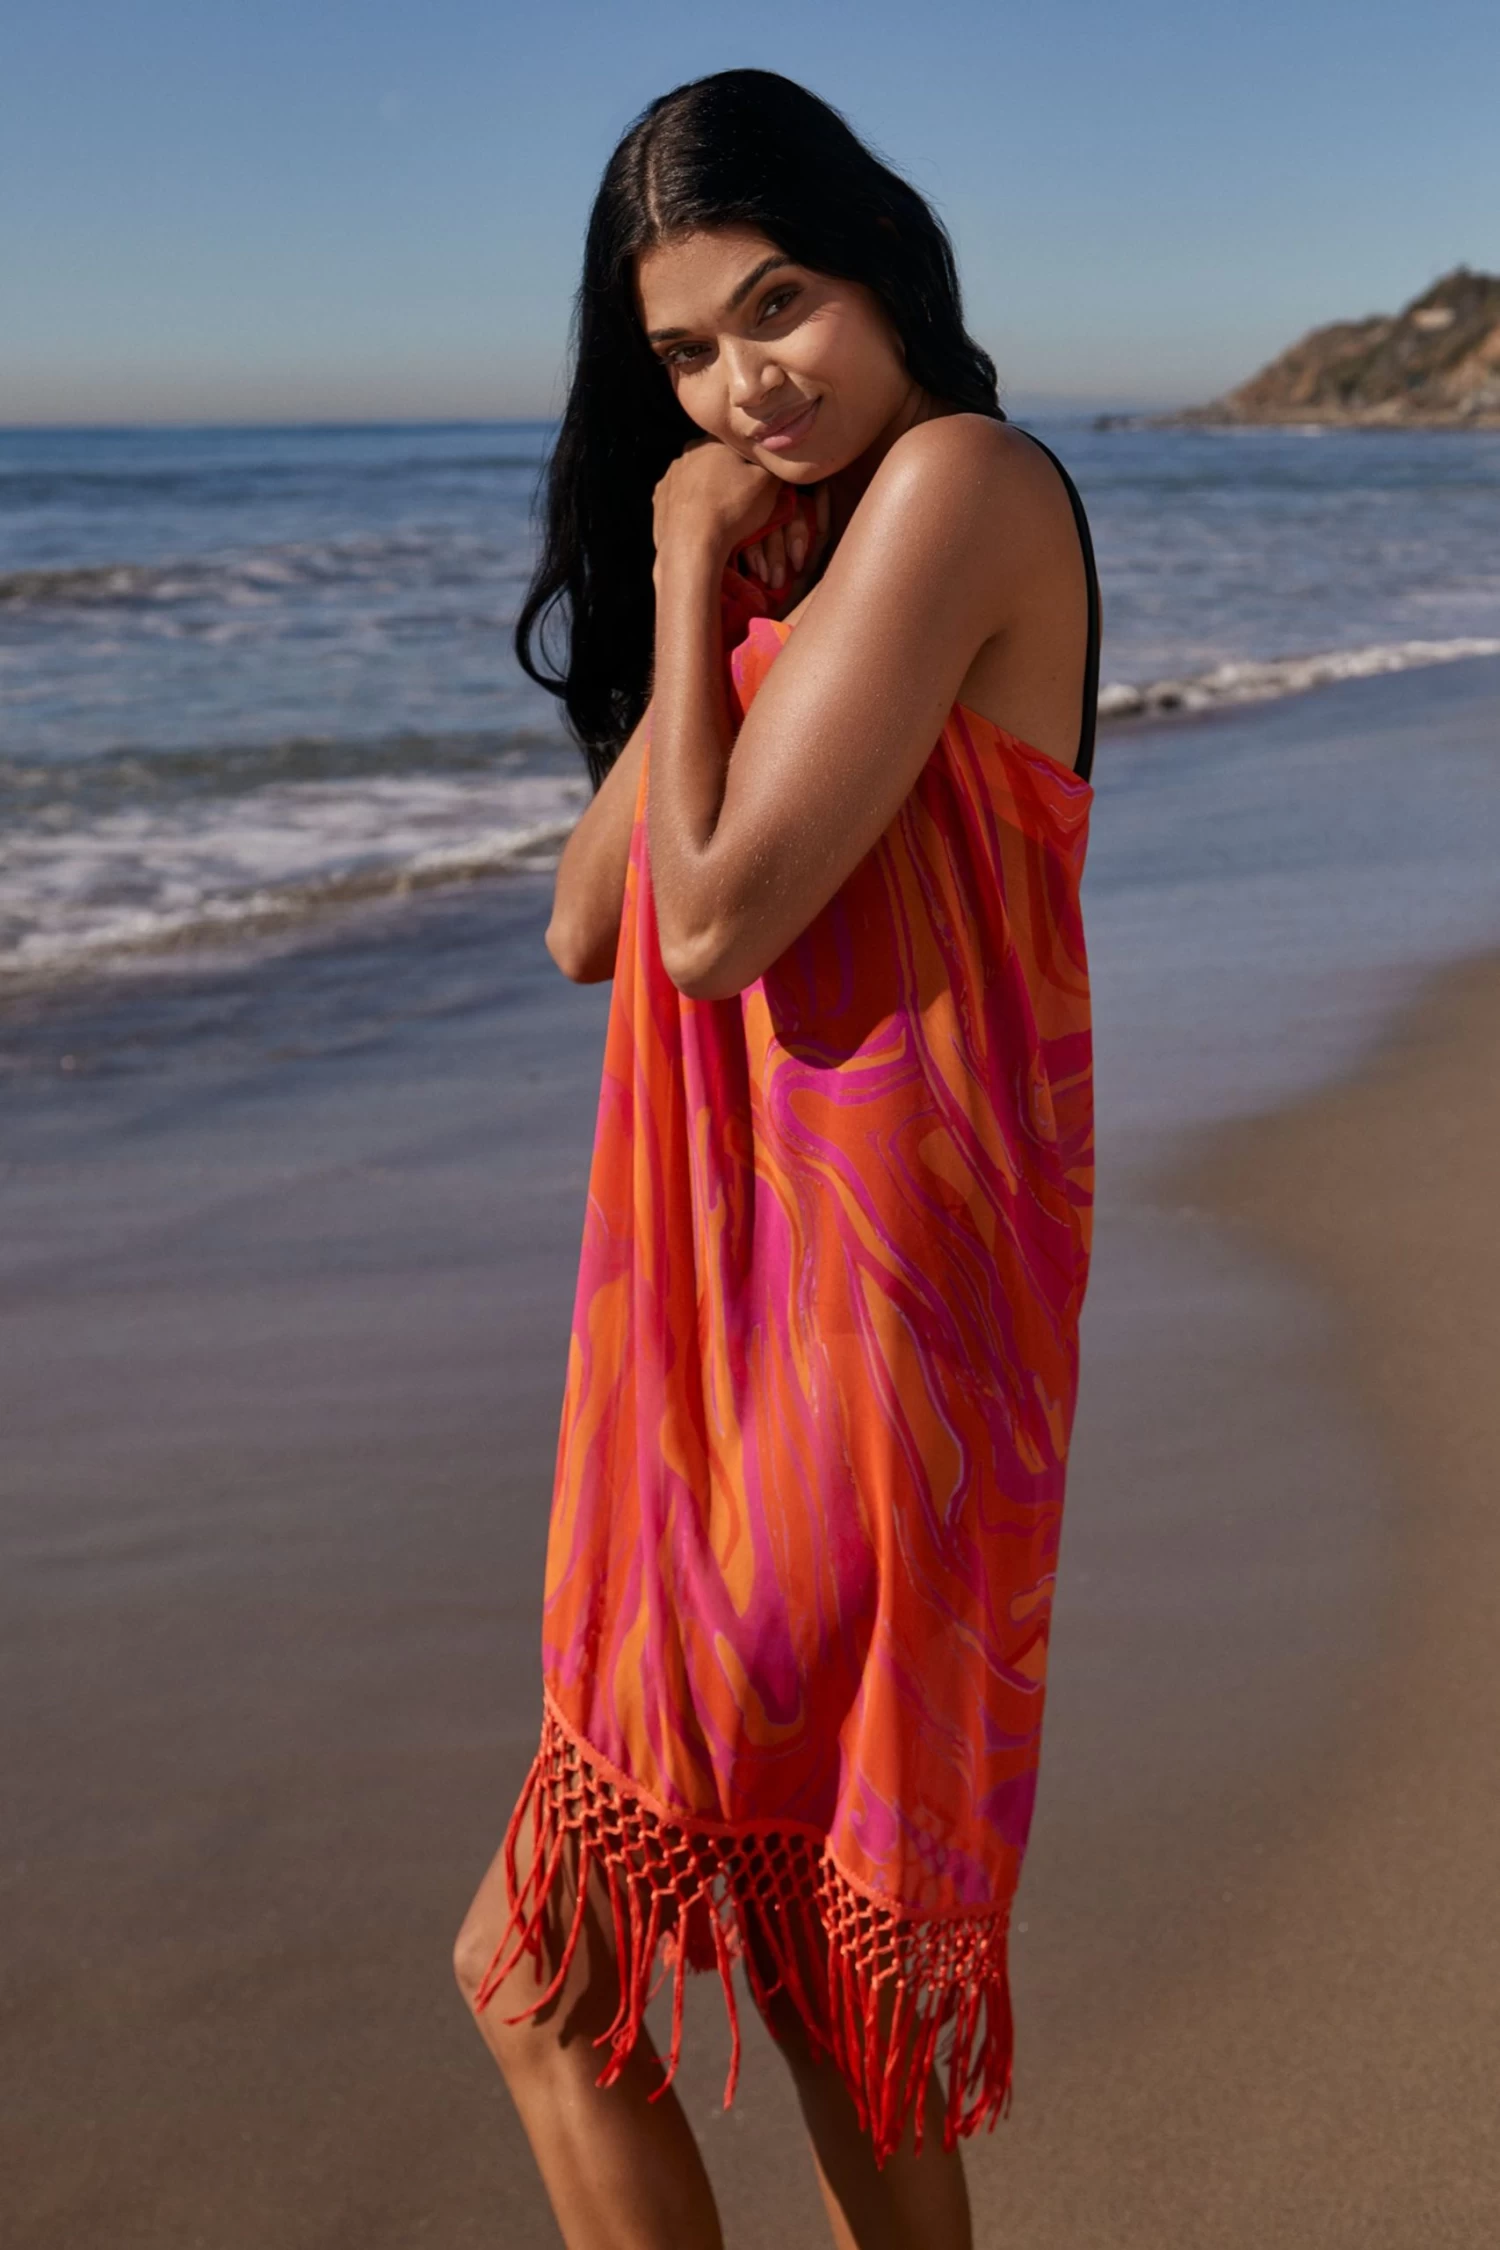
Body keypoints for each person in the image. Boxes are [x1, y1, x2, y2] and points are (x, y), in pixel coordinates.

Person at [453, 67, 1100, 2250]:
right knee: (814, 1999)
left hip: (862, 1345)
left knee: (551, 1969)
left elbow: (710, 921)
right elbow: (584, 921)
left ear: (883, 262)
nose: (746, 384)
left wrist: (677, 555)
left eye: (778, 303)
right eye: (686, 354)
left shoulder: (963, 484)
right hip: (755, 1333)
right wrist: (716, 593)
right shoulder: (795, 569)